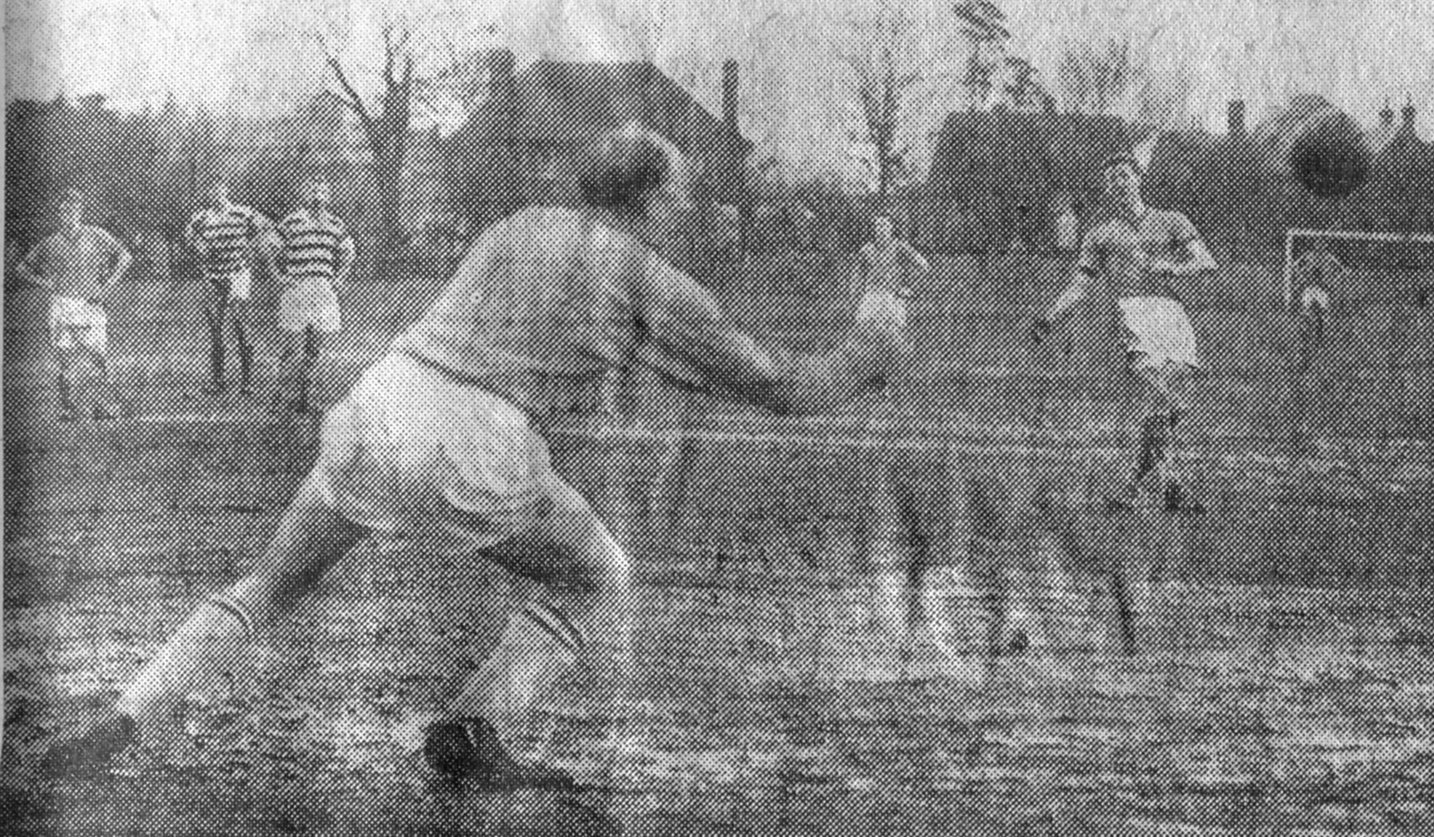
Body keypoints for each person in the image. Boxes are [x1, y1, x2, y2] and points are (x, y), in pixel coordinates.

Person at [42, 124, 901, 788]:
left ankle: (124, 715)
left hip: (381, 398)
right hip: (476, 442)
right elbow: (788, 389)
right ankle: (472, 724)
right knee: (598, 571)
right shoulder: (647, 278)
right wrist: (874, 333)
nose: (684, 207)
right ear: (646, 199)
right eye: (677, 192)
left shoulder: (518, 226)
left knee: (269, 584)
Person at [1030, 154, 1218, 512]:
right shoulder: (1100, 235)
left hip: (1173, 315)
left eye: (1124, 175)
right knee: (1164, 401)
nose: (1118, 182)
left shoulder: (1172, 221)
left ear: (1138, 177)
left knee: (1163, 409)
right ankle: (1172, 483)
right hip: (1134, 315)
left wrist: (1174, 268)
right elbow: (1079, 286)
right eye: (1111, 178)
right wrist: (1049, 318)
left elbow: (1206, 262)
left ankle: (1134, 490)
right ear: (1107, 188)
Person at [14, 188, 133, 420]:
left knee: (98, 357)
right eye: (63, 211)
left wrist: (106, 287)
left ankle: (108, 405)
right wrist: (43, 282)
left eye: (72, 209)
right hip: (61, 306)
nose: (68, 214)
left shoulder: (96, 234)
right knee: (65, 360)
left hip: (90, 305)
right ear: (59, 215)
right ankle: (68, 409)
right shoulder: (50, 242)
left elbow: (125, 257)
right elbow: (21, 268)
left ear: (80, 211)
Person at [268, 176, 355, 415]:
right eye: (312, 190)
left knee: (314, 349)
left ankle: (307, 398)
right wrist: (279, 276)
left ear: (329, 195)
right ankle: (283, 395)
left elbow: (349, 252)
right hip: (297, 289)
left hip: (323, 290)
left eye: (322, 190)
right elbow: (270, 247)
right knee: (292, 349)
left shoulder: (336, 224)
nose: (317, 194)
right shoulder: (292, 221)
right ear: (305, 194)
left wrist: (339, 278)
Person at [186, 181, 268, 395]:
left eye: (219, 188)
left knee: (241, 325)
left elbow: (265, 228)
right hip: (213, 277)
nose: (215, 193)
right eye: (211, 189)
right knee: (217, 329)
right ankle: (218, 382)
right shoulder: (201, 218)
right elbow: (190, 240)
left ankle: (248, 382)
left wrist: (250, 251)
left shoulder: (242, 213)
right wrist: (198, 246)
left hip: (237, 276)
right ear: (208, 192)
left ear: (226, 190)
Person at [857, 211, 931, 346]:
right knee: (866, 332)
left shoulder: (900, 247)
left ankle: (901, 360)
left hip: (893, 295)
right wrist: (856, 294)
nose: (881, 229)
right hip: (872, 295)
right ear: (874, 229)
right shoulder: (866, 249)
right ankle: (869, 362)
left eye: (885, 225)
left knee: (894, 333)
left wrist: (909, 287)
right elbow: (857, 275)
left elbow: (923, 265)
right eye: (878, 226)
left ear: (891, 227)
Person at [1291, 237, 1346, 348]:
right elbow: (1295, 265)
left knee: (1323, 314)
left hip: (1322, 288)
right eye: (1317, 244)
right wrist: (1301, 275)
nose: (1319, 246)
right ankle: (1304, 337)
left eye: (1322, 244)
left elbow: (1342, 269)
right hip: (1310, 287)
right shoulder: (1309, 255)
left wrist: (1333, 280)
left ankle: (1320, 339)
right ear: (1314, 245)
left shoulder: (1328, 257)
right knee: (1305, 313)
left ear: (1324, 246)